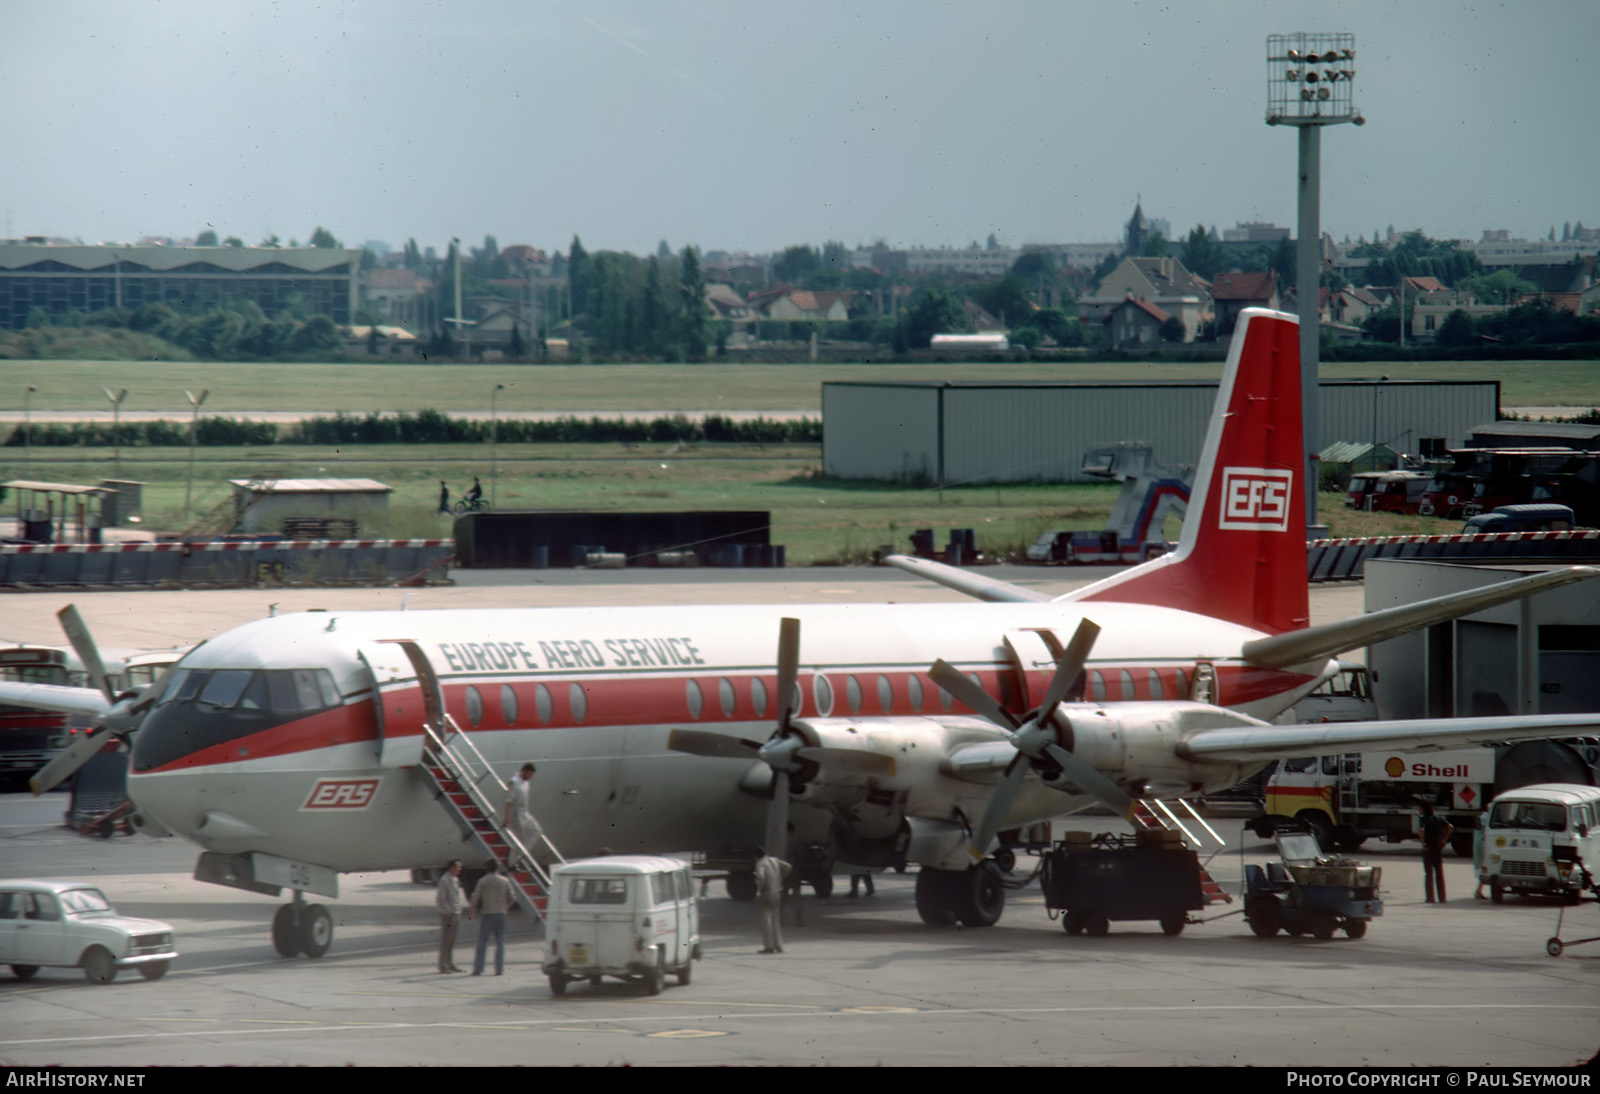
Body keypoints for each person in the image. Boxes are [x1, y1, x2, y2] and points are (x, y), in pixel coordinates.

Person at [469, 858, 515, 975]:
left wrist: (473, 907)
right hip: (501, 913)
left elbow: (475, 896)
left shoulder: (483, 881)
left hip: (488, 913)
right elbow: (512, 897)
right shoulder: (504, 880)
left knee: (482, 941)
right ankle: (499, 969)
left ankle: (478, 968)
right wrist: (506, 907)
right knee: (500, 941)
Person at [753, 848, 791, 954]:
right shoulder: (774, 860)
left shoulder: (760, 863)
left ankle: (769, 946)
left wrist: (760, 887)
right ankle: (778, 945)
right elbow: (788, 866)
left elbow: (761, 876)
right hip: (777, 890)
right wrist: (780, 878)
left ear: (756, 856)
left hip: (767, 892)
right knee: (776, 919)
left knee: (766, 920)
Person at [503, 762, 542, 865]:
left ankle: (520, 855)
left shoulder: (525, 782)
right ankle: (512, 862)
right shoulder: (514, 782)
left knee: (536, 831)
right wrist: (507, 816)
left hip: (524, 812)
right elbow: (508, 800)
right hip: (515, 813)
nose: (530, 777)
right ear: (524, 771)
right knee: (519, 838)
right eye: (529, 774)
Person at [1419, 801, 1454, 904]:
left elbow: (1421, 830)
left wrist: (1423, 844)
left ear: (1423, 809)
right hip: (1437, 847)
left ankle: (1430, 898)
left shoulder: (1424, 819)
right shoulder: (1438, 818)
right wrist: (1444, 840)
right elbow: (1450, 827)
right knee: (1439, 873)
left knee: (1428, 874)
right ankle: (1442, 897)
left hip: (1428, 847)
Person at [435, 859, 465, 973]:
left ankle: (450, 962)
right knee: (446, 940)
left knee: (452, 940)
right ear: (452, 868)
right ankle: (442, 965)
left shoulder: (454, 879)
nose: (460, 869)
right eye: (458, 867)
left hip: (456, 912)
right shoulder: (444, 880)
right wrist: (448, 911)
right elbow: (441, 899)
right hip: (448, 914)